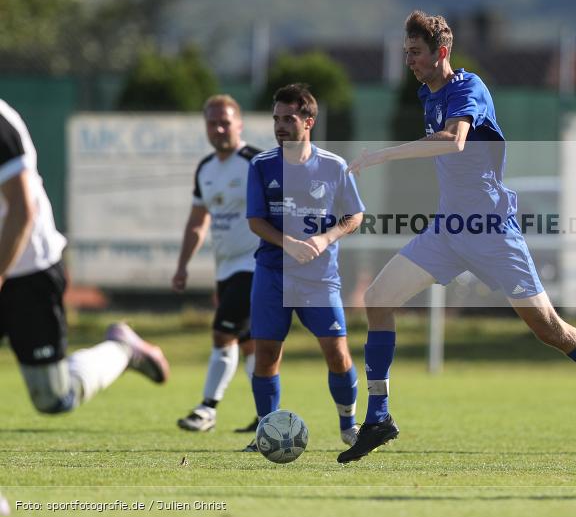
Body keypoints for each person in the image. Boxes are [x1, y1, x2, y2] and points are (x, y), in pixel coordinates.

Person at [337, 11, 576, 464]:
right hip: (448, 231)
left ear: (441, 53)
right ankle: (379, 417)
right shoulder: (426, 93)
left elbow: (454, 142)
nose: (409, 60)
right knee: (377, 300)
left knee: (550, 330)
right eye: (405, 52)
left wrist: (382, 156)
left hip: (492, 232)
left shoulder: (469, 88)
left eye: (415, 53)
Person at [0, 99, 169, 415]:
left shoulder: (0, 124)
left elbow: (22, 209)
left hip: (27, 270)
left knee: (52, 397)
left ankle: (122, 349)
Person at [245, 83, 365, 450]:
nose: (280, 126)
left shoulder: (334, 166)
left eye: (289, 119)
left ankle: (349, 425)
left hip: (319, 278)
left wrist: (324, 239)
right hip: (272, 274)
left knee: (336, 350)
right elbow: (256, 220)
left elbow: (354, 215)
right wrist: (289, 243)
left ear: (309, 121)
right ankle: (267, 431)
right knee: (266, 354)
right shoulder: (262, 166)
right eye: (276, 119)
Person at [173, 95, 261, 434]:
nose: (219, 128)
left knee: (222, 332)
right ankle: (265, 415)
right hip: (226, 268)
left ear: (239, 124)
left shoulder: (256, 162)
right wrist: (182, 265)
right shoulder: (205, 168)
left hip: (255, 265)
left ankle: (207, 409)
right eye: (212, 122)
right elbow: (198, 221)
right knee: (249, 343)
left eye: (225, 121)